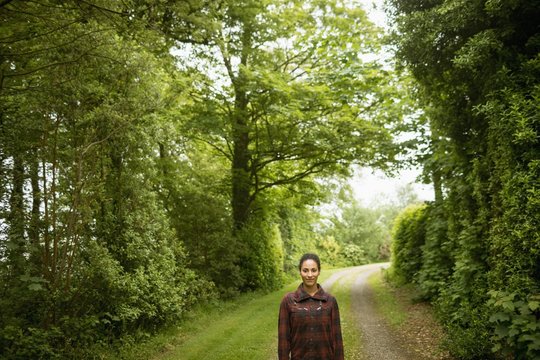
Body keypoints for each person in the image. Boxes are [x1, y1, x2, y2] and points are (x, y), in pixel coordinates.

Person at [278, 253, 344, 360]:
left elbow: (337, 340)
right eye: (305, 270)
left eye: (313, 270)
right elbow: (283, 341)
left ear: (319, 272)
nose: (310, 275)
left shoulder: (330, 301)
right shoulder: (288, 301)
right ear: (300, 272)